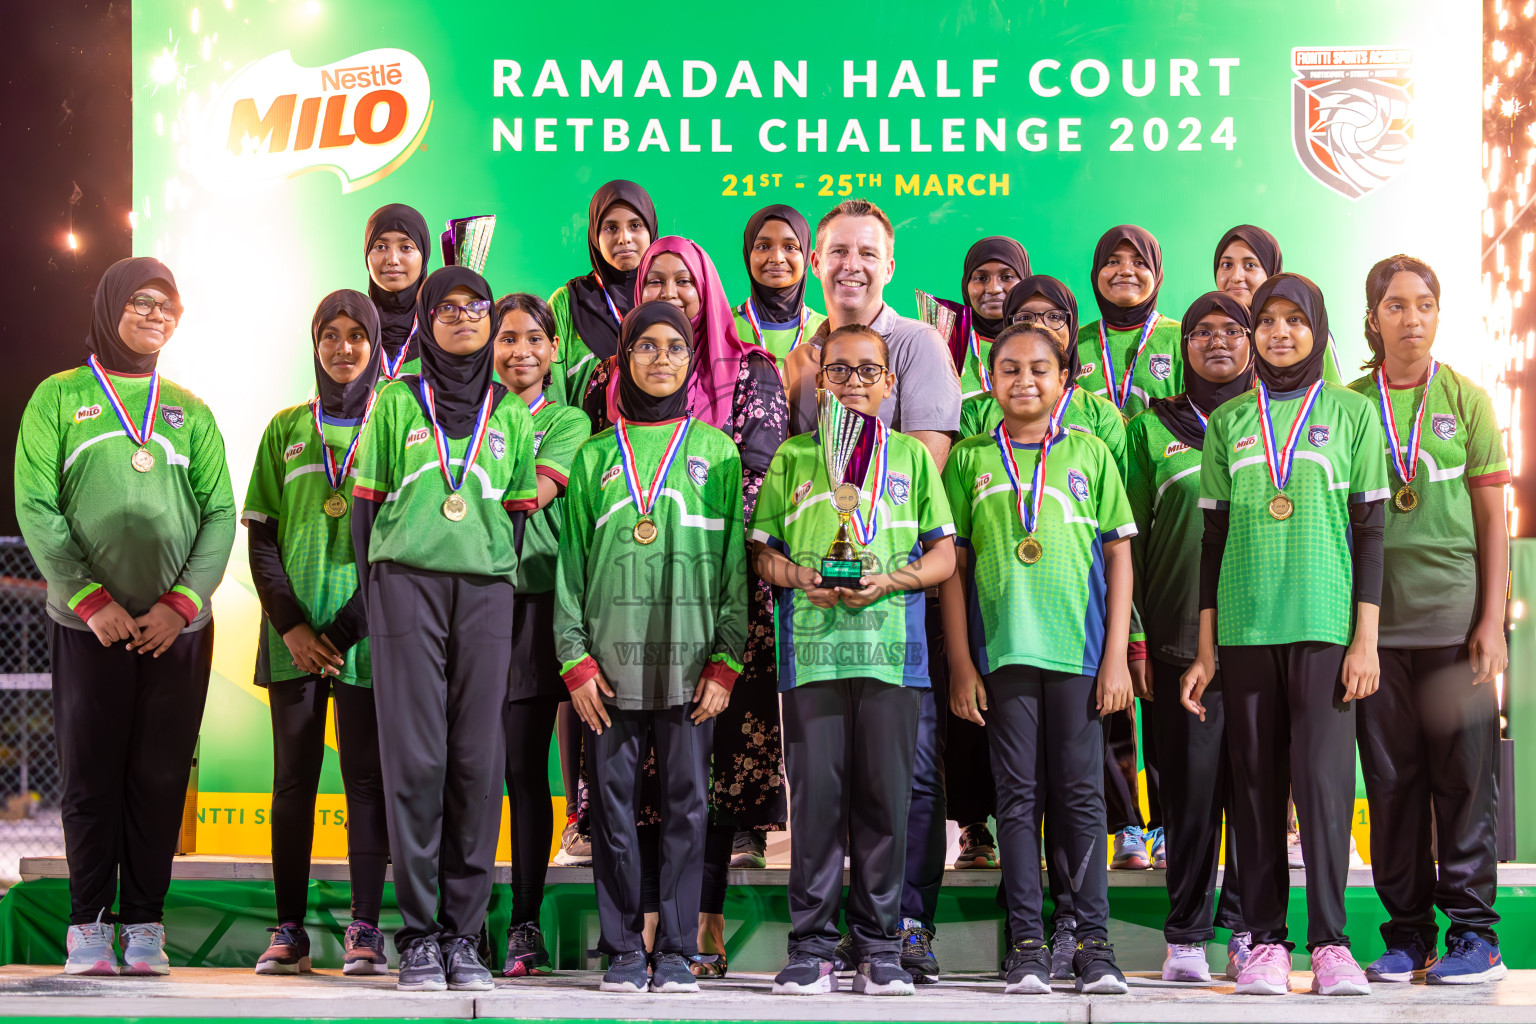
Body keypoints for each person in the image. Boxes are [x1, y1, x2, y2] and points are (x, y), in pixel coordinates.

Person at [15, 257, 235, 976]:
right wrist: (90, 598)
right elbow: (38, 507)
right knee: (91, 778)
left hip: (176, 631)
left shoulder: (190, 409)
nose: (154, 315)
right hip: (91, 627)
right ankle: (88, 926)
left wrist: (181, 604)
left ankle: (144, 924)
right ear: (110, 306)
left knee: (160, 777)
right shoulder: (58, 396)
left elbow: (220, 513)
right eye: (139, 302)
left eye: (166, 305)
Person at [1182, 272, 1388, 997]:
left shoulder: (1352, 415)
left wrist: (1365, 641)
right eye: (1265, 322)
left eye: (1291, 321)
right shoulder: (1231, 424)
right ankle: (1266, 940)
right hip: (1243, 625)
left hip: (1327, 623)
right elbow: (1211, 541)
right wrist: (1206, 648)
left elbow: (1370, 535)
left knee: (1326, 790)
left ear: (1317, 330)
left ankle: (1331, 945)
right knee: (1258, 788)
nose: (1277, 334)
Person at [780, 198, 960, 982]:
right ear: (817, 263)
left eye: (866, 252)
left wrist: (878, 573)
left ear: (889, 265)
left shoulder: (918, 343)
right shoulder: (798, 352)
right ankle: (817, 943)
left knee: (904, 783)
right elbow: (798, 462)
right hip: (818, 626)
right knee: (820, 792)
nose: (850, 264)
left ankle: (898, 931)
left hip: (892, 620)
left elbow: (914, 469)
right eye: (836, 252)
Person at [349, 266, 540, 992]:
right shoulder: (396, 403)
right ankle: (419, 936)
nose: (464, 317)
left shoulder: (512, 415)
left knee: (475, 764)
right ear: (426, 319)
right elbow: (366, 512)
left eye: (477, 307)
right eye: (449, 307)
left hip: (487, 593)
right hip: (405, 589)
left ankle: (465, 936)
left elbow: (517, 521)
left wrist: (486, 571)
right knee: (418, 761)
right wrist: (382, 590)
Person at [554, 300, 749, 995]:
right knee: (609, 807)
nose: (660, 358)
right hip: (607, 672)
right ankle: (621, 949)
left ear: (691, 359)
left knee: (689, 807)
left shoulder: (717, 452)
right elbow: (569, 569)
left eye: (674, 346)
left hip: (690, 666)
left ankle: (673, 947)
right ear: (624, 359)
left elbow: (733, 567)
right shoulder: (593, 456)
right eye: (646, 347)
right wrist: (574, 661)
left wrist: (726, 661)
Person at [942, 320, 1135, 996]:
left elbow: (1119, 556)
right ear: (989, 380)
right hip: (1004, 655)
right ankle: (1027, 943)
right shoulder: (970, 458)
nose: (1024, 381)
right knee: (1016, 801)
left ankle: (1093, 944)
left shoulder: (1090, 455)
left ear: (1064, 381)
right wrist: (963, 664)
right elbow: (954, 570)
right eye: (1010, 369)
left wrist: (1115, 658)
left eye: (1039, 370)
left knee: (1082, 799)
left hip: (1079, 657)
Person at [1347, 256, 1510, 985]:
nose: (1410, 318)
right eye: (1395, 305)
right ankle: (1407, 936)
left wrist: (1491, 621)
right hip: (1376, 638)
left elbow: (1492, 520)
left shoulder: (1468, 401)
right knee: (1392, 788)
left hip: (1454, 628)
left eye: (1423, 304)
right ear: (1373, 317)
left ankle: (1474, 936)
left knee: (1465, 784)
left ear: (1438, 315)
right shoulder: (1349, 406)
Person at [242, 291, 389, 977]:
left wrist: (343, 628)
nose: (342, 347)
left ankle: (365, 928)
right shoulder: (284, 429)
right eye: (329, 335)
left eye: (356, 334)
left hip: (365, 636)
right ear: (314, 344)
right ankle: (290, 930)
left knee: (366, 781)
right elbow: (263, 542)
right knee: (293, 781)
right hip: (293, 639)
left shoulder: (395, 421)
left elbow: (395, 540)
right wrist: (295, 627)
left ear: (375, 342)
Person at [1126, 292, 1255, 983]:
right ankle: (1185, 937)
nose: (1215, 342)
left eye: (1230, 330)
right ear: (1184, 346)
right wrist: (1137, 638)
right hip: (1177, 643)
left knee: (1255, 791)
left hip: (1263, 636)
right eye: (1201, 331)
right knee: (1189, 793)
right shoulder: (1152, 428)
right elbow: (1129, 540)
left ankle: (1243, 928)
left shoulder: (1273, 421)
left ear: (1251, 340)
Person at [490, 294, 593, 977]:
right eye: (506, 338)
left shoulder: (567, 419)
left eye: (534, 337)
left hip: (534, 604)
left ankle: (525, 922)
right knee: (474, 772)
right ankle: (461, 919)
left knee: (527, 769)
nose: (520, 349)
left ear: (555, 350)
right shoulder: (467, 418)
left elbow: (529, 494)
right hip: (468, 602)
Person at [548, 180, 657, 410]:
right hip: (583, 444)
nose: (624, 238)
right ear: (595, 235)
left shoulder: (669, 297)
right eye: (611, 228)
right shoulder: (567, 303)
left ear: (651, 229)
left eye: (636, 225)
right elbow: (551, 394)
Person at [1214, 224, 1342, 385]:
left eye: (1250, 265)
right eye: (1227, 265)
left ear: (1271, 270)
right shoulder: (1204, 335)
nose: (1236, 276)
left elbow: (1336, 399)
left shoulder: (1308, 334)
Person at [1077, 225, 1183, 419]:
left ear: (1157, 272)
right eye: (1112, 261)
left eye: (1140, 262)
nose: (1125, 270)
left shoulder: (1182, 338)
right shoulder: (1074, 342)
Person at [935, 236, 1032, 400]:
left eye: (1007, 277)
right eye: (981, 278)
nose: (993, 288)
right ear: (966, 285)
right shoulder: (943, 352)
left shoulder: (1049, 350)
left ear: (1025, 282)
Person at [734, 204, 827, 364]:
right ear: (748, 253)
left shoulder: (828, 332)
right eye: (763, 247)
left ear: (805, 256)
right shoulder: (721, 327)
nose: (777, 258)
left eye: (790, 247)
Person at [364, 204, 431, 382]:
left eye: (406, 247)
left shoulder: (445, 328)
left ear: (424, 254)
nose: (392, 259)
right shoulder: (351, 329)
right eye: (380, 246)